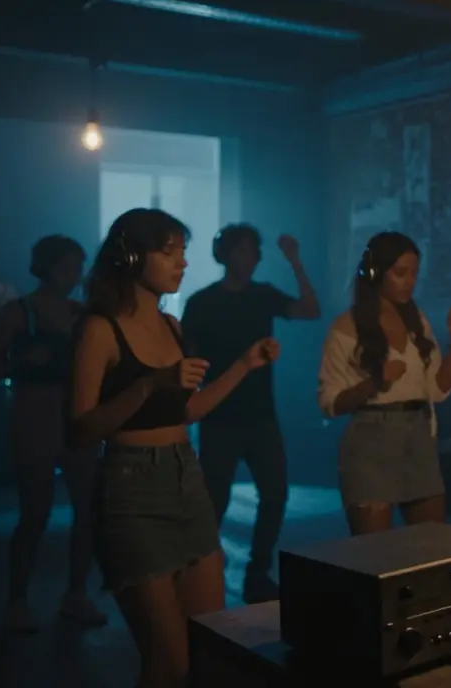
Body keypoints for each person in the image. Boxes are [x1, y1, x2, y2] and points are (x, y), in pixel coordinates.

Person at [69, 208, 280, 687]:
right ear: (131, 258)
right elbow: (81, 430)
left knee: (211, 649)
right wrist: (148, 385)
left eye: (183, 253)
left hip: (186, 477)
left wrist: (244, 365)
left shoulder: (172, 326)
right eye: (169, 253)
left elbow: (186, 412)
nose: (182, 263)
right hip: (132, 487)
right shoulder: (100, 328)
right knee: (169, 664)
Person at [180, 224, 319, 604]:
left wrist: (295, 262)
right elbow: (187, 356)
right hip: (219, 418)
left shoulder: (263, 295)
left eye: (255, 250)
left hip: (260, 415)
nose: (252, 257)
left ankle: (257, 574)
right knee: (214, 500)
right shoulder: (202, 303)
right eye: (244, 250)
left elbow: (310, 310)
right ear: (225, 254)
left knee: (275, 494)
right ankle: (202, 570)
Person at [0, 235, 106, 632]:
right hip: (35, 419)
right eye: (66, 267)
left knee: (88, 510)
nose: (73, 275)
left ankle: (76, 594)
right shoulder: (19, 312)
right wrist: (22, 361)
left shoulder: (81, 313)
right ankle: (17, 601)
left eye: (77, 268)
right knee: (35, 513)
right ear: (45, 268)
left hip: (78, 419)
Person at [317, 232, 451, 536]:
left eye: (414, 274)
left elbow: (437, 390)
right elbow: (329, 402)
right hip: (372, 439)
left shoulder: (417, 321)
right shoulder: (346, 327)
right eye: (400, 273)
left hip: (419, 436)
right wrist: (375, 382)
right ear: (375, 273)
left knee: (432, 546)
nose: (409, 282)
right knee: (375, 553)